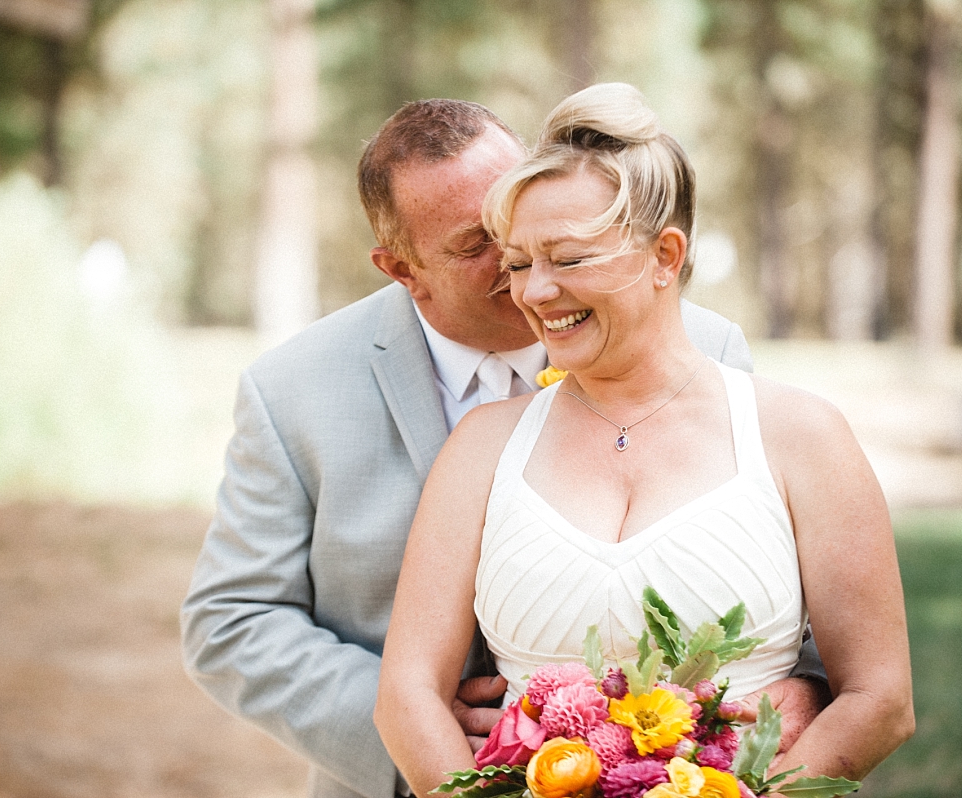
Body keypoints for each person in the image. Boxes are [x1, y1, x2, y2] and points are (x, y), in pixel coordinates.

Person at [181, 97, 823, 798]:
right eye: (474, 243)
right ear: (402, 269)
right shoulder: (294, 392)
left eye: (511, 210)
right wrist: (417, 727)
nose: (519, 254)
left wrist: (810, 688)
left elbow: (773, 562)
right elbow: (232, 619)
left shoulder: (705, 346)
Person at [373, 83, 914, 797]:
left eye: (567, 259)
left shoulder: (800, 436)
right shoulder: (482, 446)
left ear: (664, 255)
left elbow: (881, 700)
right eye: (517, 263)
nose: (533, 293)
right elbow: (406, 694)